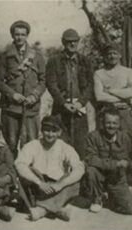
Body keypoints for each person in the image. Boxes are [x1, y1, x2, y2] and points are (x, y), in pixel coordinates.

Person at [15, 115, 84, 222]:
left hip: (57, 188)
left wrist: (61, 184)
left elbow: (79, 168)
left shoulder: (65, 147)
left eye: (54, 131)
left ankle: (42, 210)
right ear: (41, 131)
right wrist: (39, 183)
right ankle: (57, 209)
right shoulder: (33, 145)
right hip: (38, 186)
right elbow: (19, 164)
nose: (50, 134)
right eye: (47, 130)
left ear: (59, 132)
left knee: (75, 182)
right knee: (26, 175)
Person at [0, 20, 46, 156]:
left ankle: (28, 174)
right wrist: (12, 94)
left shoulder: (37, 56)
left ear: (27, 36)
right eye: (16, 34)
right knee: (10, 144)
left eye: (23, 34)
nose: (19, 37)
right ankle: (11, 174)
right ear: (12, 35)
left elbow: (43, 80)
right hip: (11, 108)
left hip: (31, 108)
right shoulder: (5, 56)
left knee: (31, 144)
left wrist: (34, 96)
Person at [45, 28, 93, 157]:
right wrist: (63, 103)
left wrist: (81, 103)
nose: (72, 44)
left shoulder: (85, 61)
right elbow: (51, 84)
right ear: (63, 42)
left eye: (75, 41)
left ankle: (79, 174)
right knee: (60, 142)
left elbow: (90, 85)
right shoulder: (54, 61)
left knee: (80, 143)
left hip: (79, 109)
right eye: (69, 41)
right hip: (61, 108)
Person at [83, 107, 132, 215]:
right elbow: (91, 159)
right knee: (91, 170)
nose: (111, 126)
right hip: (99, 176)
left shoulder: (125, 138)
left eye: (114, 123)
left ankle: (110, 199)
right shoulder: (93, 137)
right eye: (108, 123)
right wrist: (115, 164)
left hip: (116, 179)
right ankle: (97, 198)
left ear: (119, 124)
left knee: (130, 209)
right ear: (102, 123)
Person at [94, 44, 132, 140]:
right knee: (104, 142)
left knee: (129, 140)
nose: (112, 56)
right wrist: (123, 96)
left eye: (115, 53)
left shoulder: (128, 72)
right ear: (105, 57)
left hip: (124, 111)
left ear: (120, 55)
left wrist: (110, 91)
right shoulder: (99, 73)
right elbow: (99, 96)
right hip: (106, 112)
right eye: (109, 54)